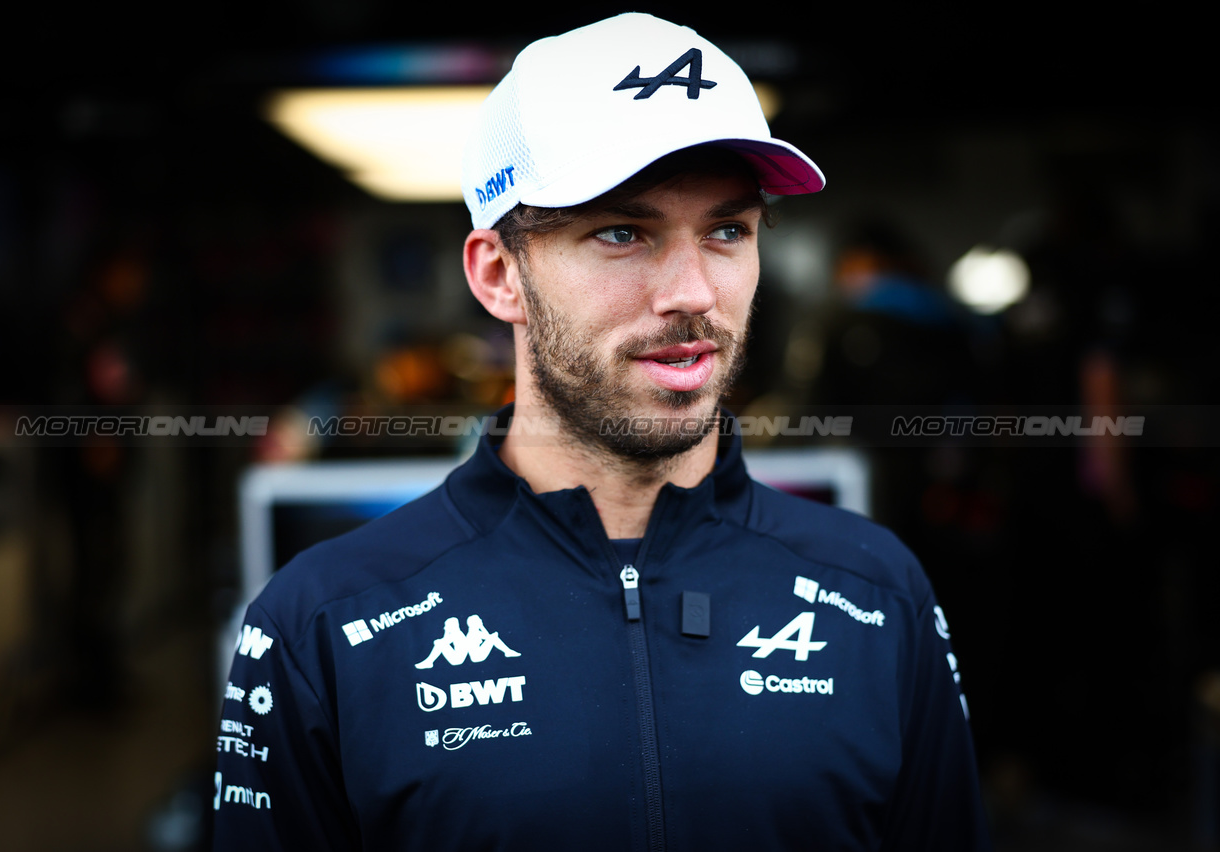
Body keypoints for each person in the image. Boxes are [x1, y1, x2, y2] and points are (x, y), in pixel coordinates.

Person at [212, 13, 991, 851]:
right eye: (623, 232)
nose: (693, 291)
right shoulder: (320, 623)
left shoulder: (876, 596)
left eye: (727, 230)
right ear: (499, 274)